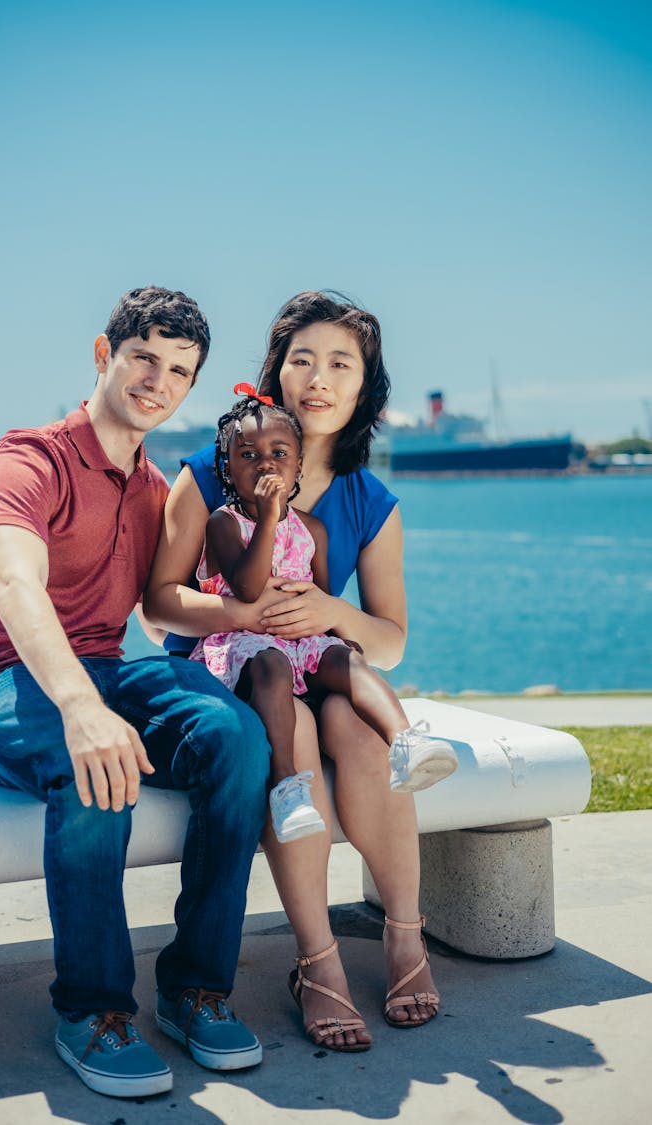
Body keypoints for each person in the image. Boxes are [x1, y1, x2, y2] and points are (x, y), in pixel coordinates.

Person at [0, 286, 271, 1099]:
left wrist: (238, 612)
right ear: (104, 354)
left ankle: (195, 987)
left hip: (104, 668)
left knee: (237, 737)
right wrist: (86, 713)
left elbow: (160, 606)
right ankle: (93, 1010)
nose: (158, 381)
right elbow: (19, 589)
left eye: (180, 372)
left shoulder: (155, 488)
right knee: (100, 765)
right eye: (145, 358)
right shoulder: (29, 459)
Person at [145, 290, 456, 1054]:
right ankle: (317, 963)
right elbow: (158, 606)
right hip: (231, 672)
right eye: (303, 360)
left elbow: (388, 638)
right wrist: (236, 616)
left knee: (358, 728)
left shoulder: (369, 501)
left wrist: (329, 609)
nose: (318, 377)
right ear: (277, 375)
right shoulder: (212, 472)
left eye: (340, 364)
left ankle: (404, 935)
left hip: (314, 655)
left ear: (363, 389)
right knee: (306, 726)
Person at [189, 389, 457, 846]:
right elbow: (249, 588)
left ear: (298, 466)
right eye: (248, 454)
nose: (264, 464)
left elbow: (321, 596)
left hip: (297, 641)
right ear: (227, 467)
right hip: (245, 648)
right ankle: (287, 787)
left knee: (345, 658)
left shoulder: (313, 529)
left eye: (279, 453)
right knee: (271, 667)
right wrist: (270, 519)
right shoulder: (224, 523)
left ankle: (405, 741)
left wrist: (334, 637)